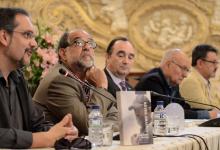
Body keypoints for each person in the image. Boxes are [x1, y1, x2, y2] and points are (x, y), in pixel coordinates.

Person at [0, 7, 78, 148]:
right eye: (27, 35)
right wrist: (40, 139)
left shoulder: (18, 78)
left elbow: (37, 124)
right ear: (4, 37)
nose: (34, 44)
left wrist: (62, 132)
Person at [33, 29, 118, 136]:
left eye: (91, 43)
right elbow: (90, 126)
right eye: (79, 43)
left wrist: (101, 126)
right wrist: (101, 87)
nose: (87, 47)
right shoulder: (59, 81)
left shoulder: (89, 79)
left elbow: (117, 117)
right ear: (63, 53)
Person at [135, 49, 219, 119]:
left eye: (187, 70)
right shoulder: (152, 81)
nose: (185, 75)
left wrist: (210, 111)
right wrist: (207, 115)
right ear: (168, 64)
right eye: (183, 68)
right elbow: (168, 113)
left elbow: (183, 108)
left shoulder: (172, 83)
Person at [180, 44, 220, 110]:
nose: (216, 66)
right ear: (200, 63)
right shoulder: (190, 81)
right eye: (213, 62)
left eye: (217, 63)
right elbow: (204, 107)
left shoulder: (208, 82)